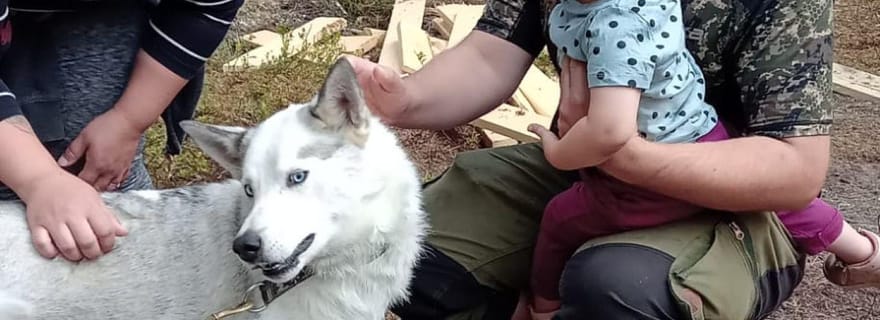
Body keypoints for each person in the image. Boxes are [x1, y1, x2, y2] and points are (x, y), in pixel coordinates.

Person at [345, 0, 847, 318]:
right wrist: (405, 101)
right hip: (592, 165)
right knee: (387, 242)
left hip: (740, 198)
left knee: (615, 288)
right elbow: (489, 55)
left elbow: (794, 169)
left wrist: (625, 157)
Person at [517, 0, 880, 318]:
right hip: (702, 133)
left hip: (635, 185)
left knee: (558, 222)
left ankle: (542, 308)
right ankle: (865, 254)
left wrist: (558, 152)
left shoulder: (613, 25)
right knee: (784, 202)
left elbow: (609, 132)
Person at [0, 0, 243, 263]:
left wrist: (128, 120)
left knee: (103, 192)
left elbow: (206, 9)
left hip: (101, 16)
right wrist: (40, 181)